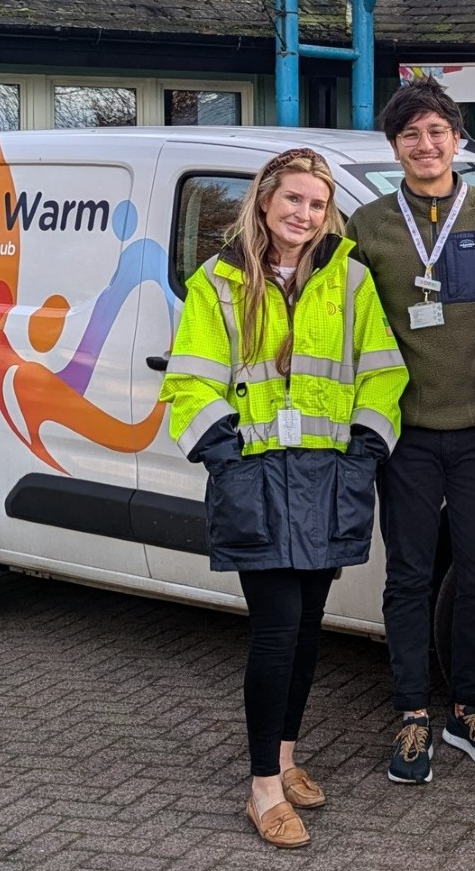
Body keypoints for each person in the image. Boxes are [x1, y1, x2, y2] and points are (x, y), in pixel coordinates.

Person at [160, 148, 407, 848]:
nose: (304, 214)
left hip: (329, 480)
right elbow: (190, 383)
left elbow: (383, 375)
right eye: (293, 199)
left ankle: (289, 755)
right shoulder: (219, 282)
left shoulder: (351, 281)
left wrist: (363, 455)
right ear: (265, 201)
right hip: (258, 480)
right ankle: (263, 785)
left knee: (306, 628)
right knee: (274, 628)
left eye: (317, 204)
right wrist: (228, 460)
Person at [345, 77, 475, 783]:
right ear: (394, 147)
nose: (426, 146)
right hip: (408, 434)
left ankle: (466, 709)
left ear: (457, 138)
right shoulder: (365, 225)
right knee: (411, 575)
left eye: (437, 131)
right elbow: (343, 322)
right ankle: (411, 717)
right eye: (410, 134)